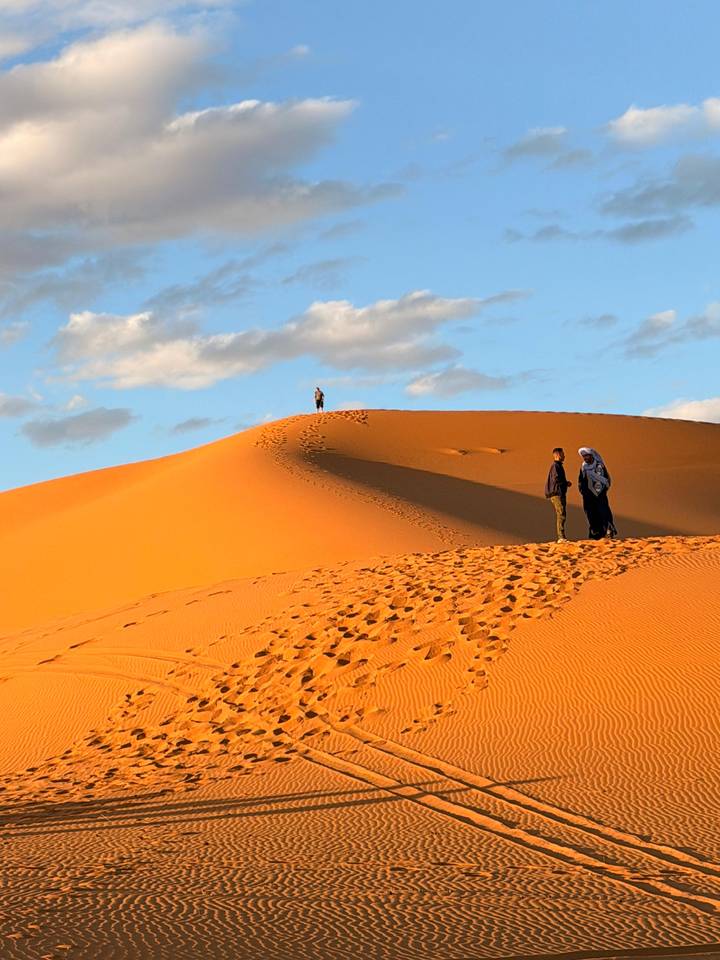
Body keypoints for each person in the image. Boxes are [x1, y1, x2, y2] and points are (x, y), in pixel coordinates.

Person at [578, 447, 618, 540]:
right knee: (591, 514)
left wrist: (599, 492)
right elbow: (581, 481)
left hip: (599, 495)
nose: (585, 458)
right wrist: (583, 491)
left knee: (603, 512)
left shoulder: (599, 466)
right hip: (588, 496)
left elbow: (604, 480)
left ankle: (608, 531)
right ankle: (595, 533)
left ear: (591, 456)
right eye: (584, 456)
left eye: (587, 456)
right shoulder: (584, 467)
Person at [545, 447, 572, 542]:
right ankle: (561, 537)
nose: (564, 456)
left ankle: (561, 537)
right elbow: (556, 479)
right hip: (557, 493)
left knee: (561, 514)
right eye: (562, 454)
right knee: (561, 514)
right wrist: (566, 483)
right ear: (557, 455)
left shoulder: (558, 466)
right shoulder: (555, 466)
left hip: (558, 493)